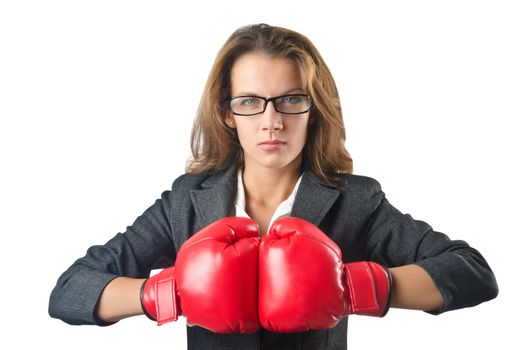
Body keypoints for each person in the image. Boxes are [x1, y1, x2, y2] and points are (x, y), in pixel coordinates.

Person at [49, 23, 498, 349]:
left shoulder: (355, 201)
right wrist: (170, 293)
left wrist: (356, 287)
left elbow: (472, 272)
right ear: (227, 114)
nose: (272, 121)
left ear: (313, 108)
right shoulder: (187, 202)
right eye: (249, 102)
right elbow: (70, 291)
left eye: (290, 99)